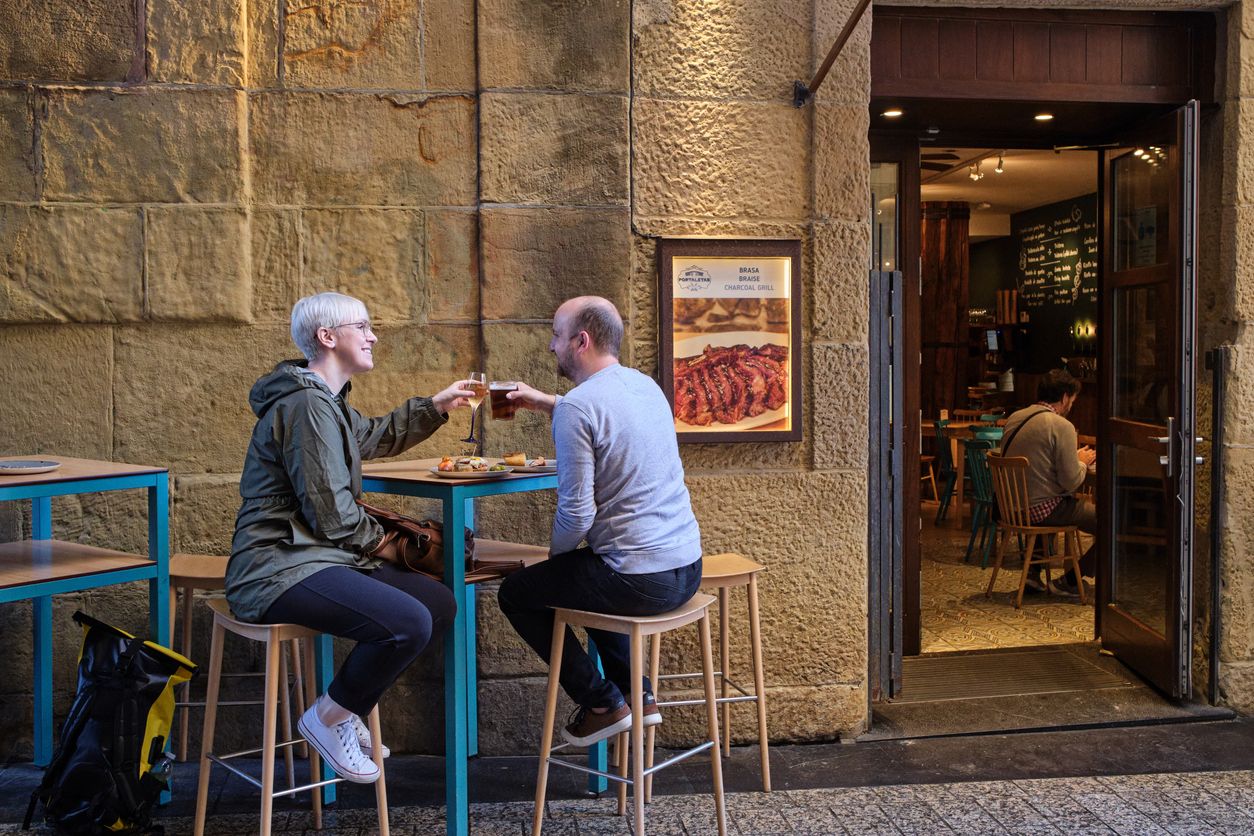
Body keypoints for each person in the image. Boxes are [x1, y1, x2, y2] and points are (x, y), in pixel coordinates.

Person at [225, 291, 473, 783]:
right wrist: (391, 544)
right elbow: (334, 516)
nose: (372, 335)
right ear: (327, 337)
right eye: (362, 326)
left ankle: (344, 708)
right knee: (407, 622)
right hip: (276, 567)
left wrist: (435, 406)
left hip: (316, 557)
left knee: (438, 602)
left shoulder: (327, 404)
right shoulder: (306, 407)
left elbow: (374, 436)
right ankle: (327, 718)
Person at [497, 296, 703, 746]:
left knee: (518, 593)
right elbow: (602, 415)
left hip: (642, 582)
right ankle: (638, 696)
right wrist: (546, 401)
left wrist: (554, 564)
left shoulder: (578, 407)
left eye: (556, 335)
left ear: (581, 340)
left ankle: (602, 703)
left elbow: (577, 512)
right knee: (587, 574)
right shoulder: (643, 385)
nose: (551, 346)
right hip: (687, 569)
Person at [999, 368, 1098, 595]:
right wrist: (1081, 461)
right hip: (1039, 511)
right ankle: (1071, 580)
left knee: (1051, 495)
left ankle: (1033, 576)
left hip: (1011, 508)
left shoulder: (1015, 417)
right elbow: (1071, 481)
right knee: (1111, 523)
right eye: (1072, 400)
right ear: (1064, 397)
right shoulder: (1061, 425)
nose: (1071, 405)